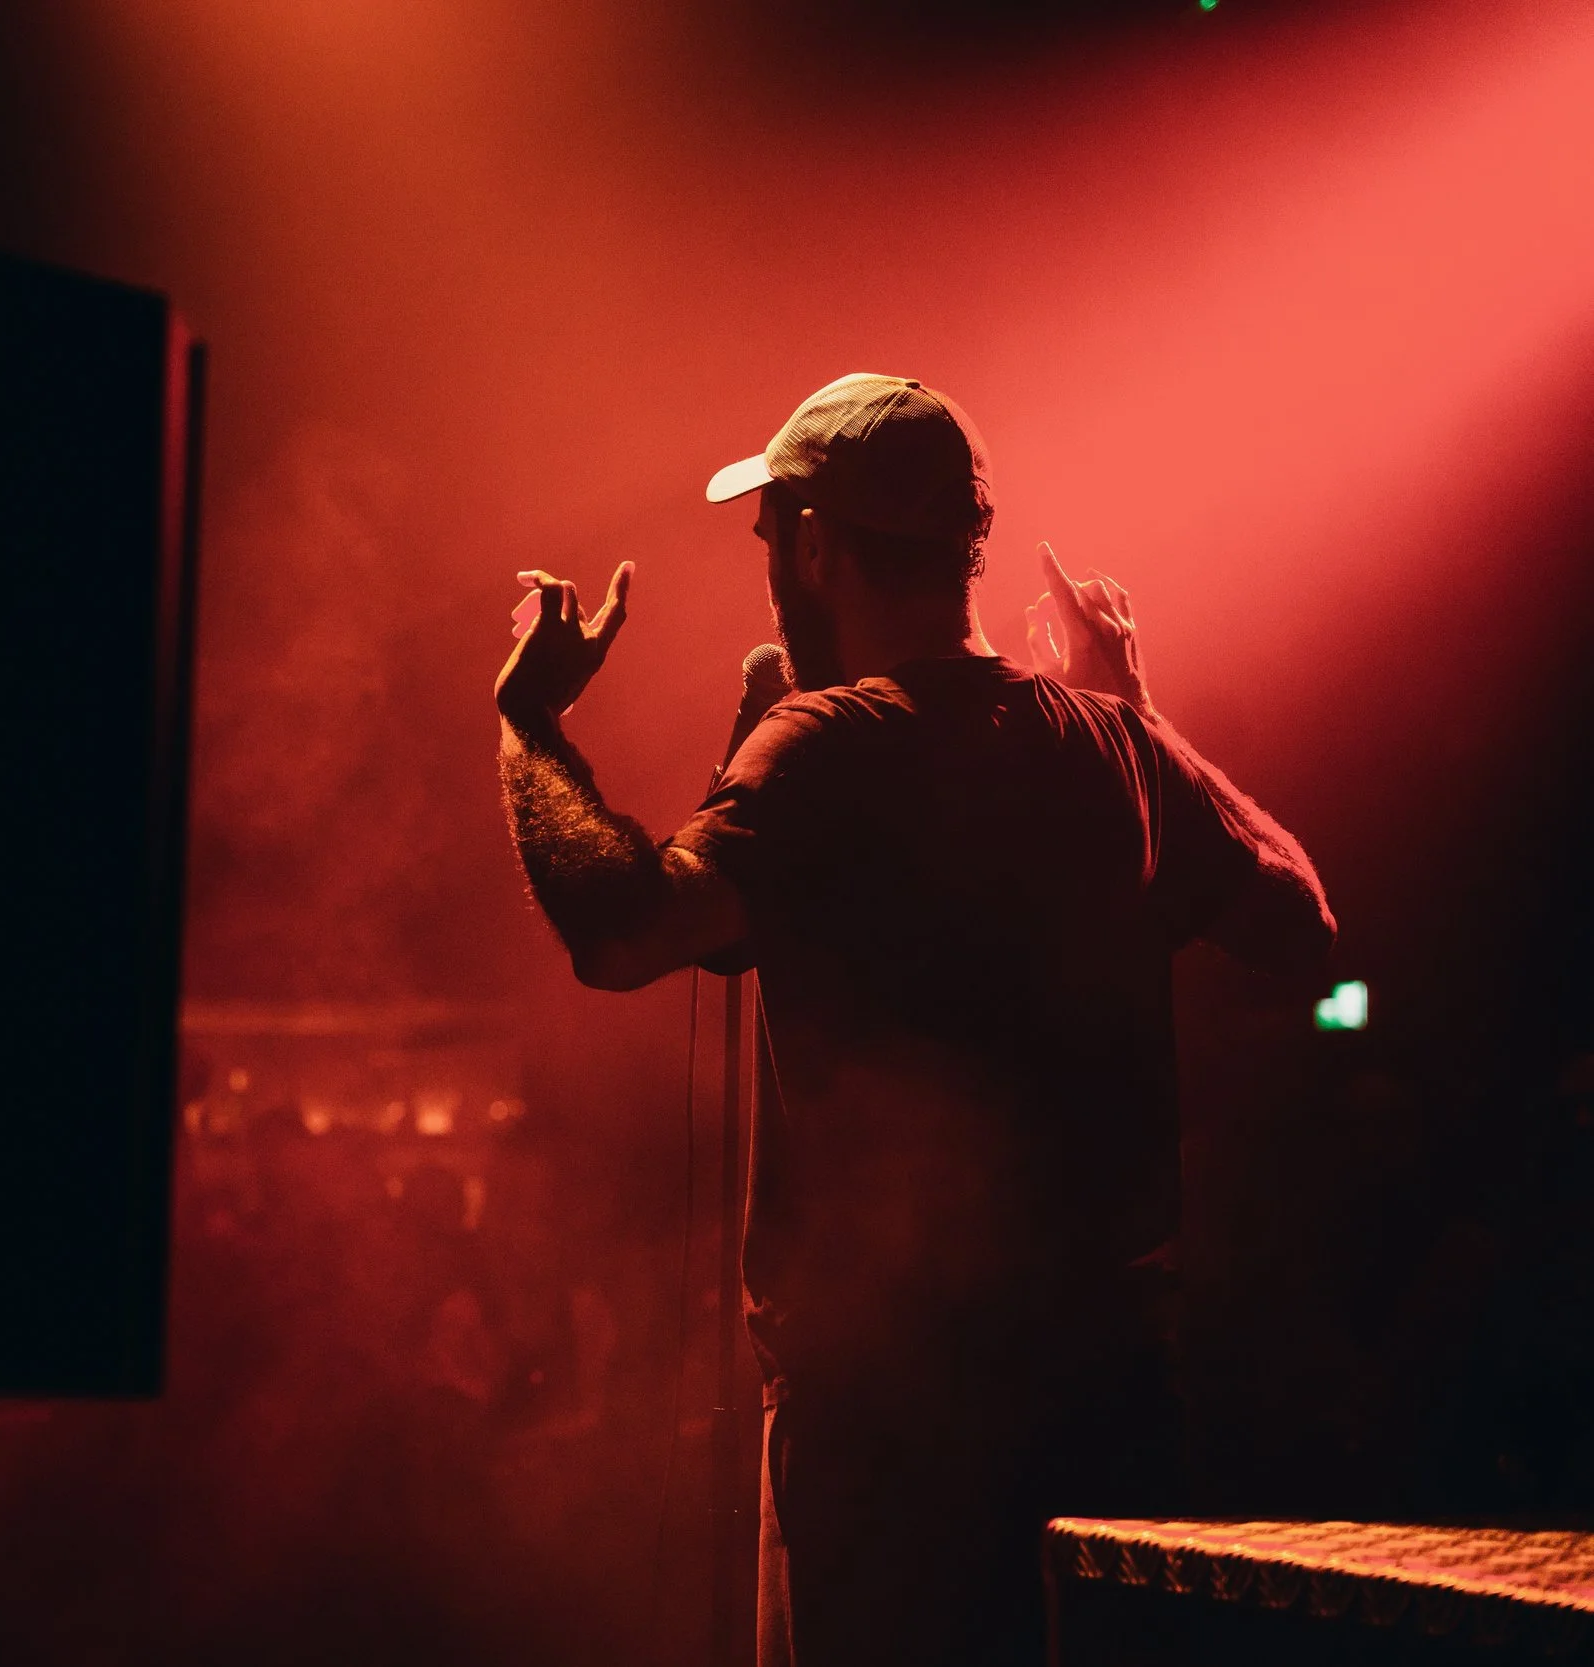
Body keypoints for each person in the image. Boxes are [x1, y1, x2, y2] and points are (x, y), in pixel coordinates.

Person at [493, 373, 1334, 1666]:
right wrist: (1141, 710)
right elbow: (1303, 927)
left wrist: (530, 721)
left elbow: (622, 931)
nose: (767, 566)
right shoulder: (1110, 750)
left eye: (772, 537)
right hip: (1114, 1415)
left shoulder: (824, 751)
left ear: (820, 545)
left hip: (887, 1447)